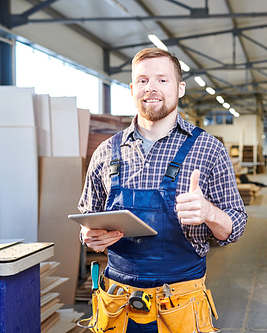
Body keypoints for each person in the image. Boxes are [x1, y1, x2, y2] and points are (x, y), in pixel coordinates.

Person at [78, 47, 247, 332]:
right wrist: (88, 237)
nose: (151, 88)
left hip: (179, 305)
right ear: (132, 89)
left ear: (180, 88)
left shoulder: (208, 149)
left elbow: (236, 226)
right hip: (117, 304)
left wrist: (209, 212)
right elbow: (87, 217)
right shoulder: (106, 151)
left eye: (162, 80)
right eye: (142, 80)